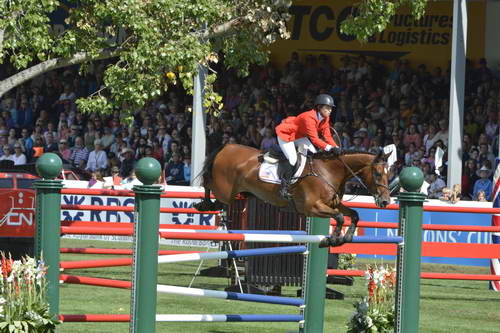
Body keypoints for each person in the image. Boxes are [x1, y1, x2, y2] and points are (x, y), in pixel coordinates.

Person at [275, 94, 340, 199]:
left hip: (299, 136)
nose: (330, 110)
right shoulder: (309, 117)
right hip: (286, 135)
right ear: (319, 107)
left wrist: (336, 147)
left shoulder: (325, 118)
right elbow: (314, 139)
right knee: (293, 159)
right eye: (327, 108)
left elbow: (327, 136)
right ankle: (284, 187)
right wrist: (329, 148)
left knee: (314, 155)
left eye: (331, 108)